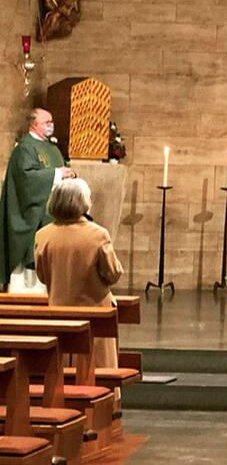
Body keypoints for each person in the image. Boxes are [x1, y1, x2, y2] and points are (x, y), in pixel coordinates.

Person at [34, 178, 122, 367]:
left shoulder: (43, 235)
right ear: (83, 203)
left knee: (64, 365)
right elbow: (113, 273)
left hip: (59, 312)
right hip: (95, 315)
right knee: (98, 369)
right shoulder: (98, 235)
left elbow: (42, 276)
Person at [0, 108, 75, 292]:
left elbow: (61, 168)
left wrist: (69, 174)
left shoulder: (52, 148)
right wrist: (56, 174)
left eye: (51, 122)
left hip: (52, 213)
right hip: (31, 215)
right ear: (34, 124)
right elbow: (26, 180)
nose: (51, 125)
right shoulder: (25, 148)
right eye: (46, 122)